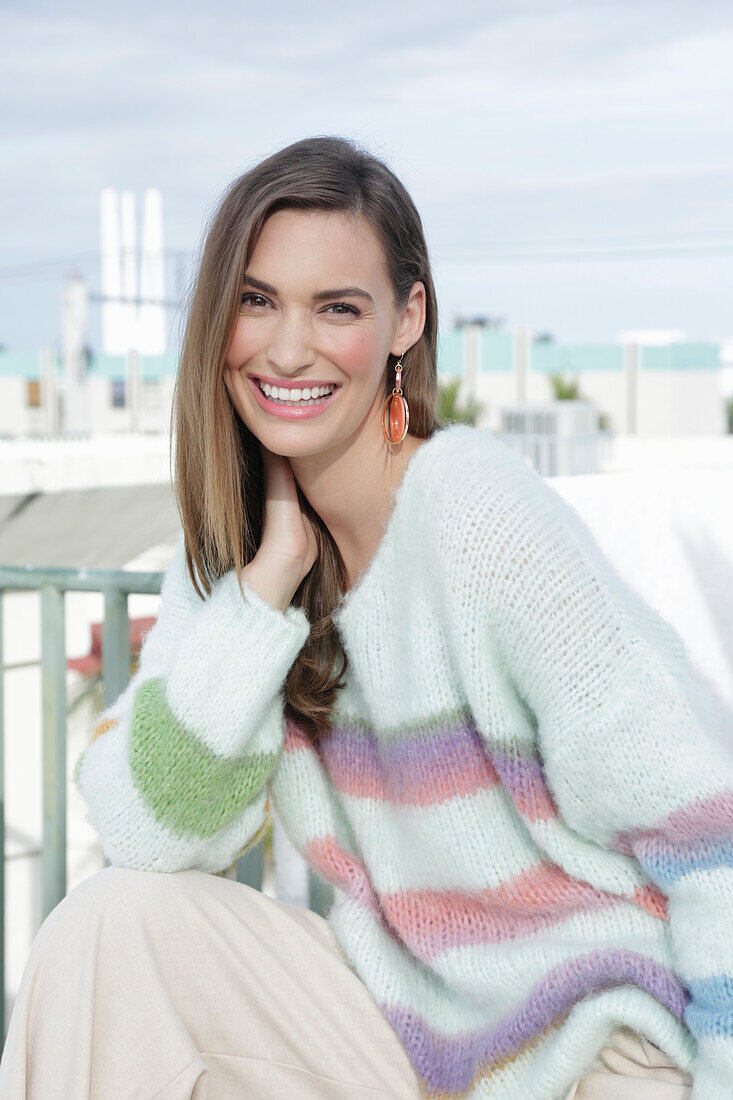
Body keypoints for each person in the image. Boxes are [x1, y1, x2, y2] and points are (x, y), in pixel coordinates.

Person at [0, 134, 728, 1099]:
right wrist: (267, 587)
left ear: (404, 319)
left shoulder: (476, 513)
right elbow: (147, 837)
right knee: (111, 923)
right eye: (256, 300)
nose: (287, 348)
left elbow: (706, 836)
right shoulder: (232, 563)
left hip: (594, 1045)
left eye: (335, 308)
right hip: (412, 1035)